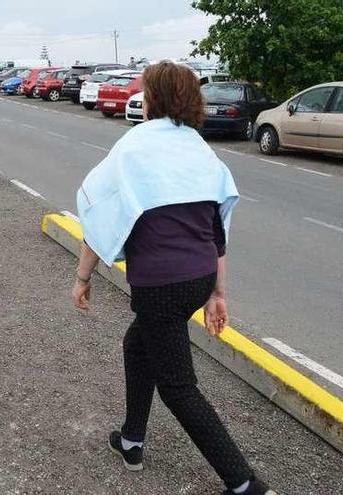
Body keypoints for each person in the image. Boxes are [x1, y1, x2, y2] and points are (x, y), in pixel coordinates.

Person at [71, 61, 276, 495]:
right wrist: (218, 293)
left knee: (179, 388)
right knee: (137, 344)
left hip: (161, 286)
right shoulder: (199, 149)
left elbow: (103, 216)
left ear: (153, 99)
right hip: (200, 275)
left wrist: (82, 276)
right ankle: (131, 440)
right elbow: (215, 228)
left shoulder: (133, 148)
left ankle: (245, 485)